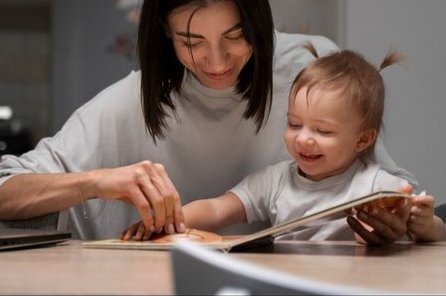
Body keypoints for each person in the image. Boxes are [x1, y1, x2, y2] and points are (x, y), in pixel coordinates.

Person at [0, 0, 419, 242]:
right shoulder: (131, 103)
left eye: (234, 36)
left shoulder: (310, 68)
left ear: (260, 22)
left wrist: (397, 223)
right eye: (192, 42)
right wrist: (96, 181)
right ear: (165, 35)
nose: (216, 61)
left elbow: (395, 189)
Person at [125, 46, 445, 243]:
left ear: (362, 140)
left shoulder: (376, 185)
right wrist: (166, 221)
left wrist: (426, 223)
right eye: (294, 124)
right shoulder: (277, 181)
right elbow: (217, 208)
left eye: (323, 130)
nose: (303, 138)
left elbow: (433, 231)